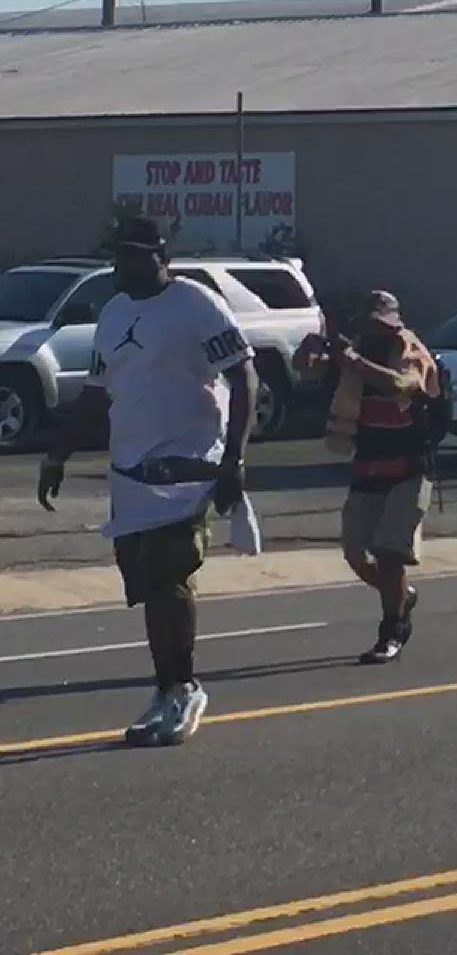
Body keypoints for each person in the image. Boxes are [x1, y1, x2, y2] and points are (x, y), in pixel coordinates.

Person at [36, 218, 256, 746]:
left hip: (188, 464)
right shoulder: (113, 313)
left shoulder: (196, 305)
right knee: (145, 585)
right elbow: (96, 392)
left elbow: (245, 374)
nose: (124, 265)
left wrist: (235, 461)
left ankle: (184, 687)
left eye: (136, 255)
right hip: (131, 471)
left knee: (169, 577)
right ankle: (166, 688)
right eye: (119, 256)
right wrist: (58, 454)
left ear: (162, 257)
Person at [294, 291, 442, 664]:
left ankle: (392, 630)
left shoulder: (410, 349)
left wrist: (354, 362)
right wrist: (310, 350)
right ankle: (402, 596)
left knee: (390, 554)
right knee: (356, 554)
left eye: (385, 323)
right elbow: (307, 369)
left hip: (409, 468)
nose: (379, 330)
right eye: (372, 323)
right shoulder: (355, 348)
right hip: (368, 465)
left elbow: (402, 385)